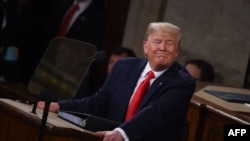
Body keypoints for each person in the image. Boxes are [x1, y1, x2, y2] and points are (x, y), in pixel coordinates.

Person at [37, 22, 196, 141]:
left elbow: (156, 112)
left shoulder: (182, 82)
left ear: (177, 52)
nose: (163, 47)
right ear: (146, 47)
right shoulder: (124, 67)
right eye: (157, 42)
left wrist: (121, 132)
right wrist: (59, 106)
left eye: (169, 43)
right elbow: (98, 102)